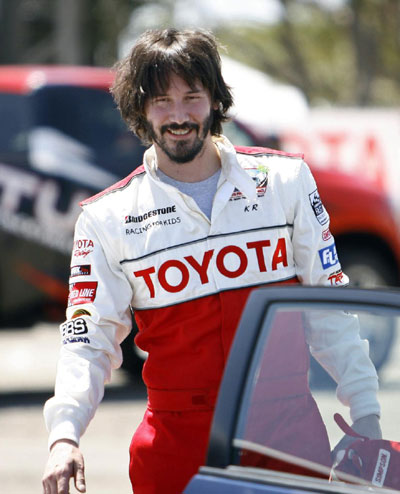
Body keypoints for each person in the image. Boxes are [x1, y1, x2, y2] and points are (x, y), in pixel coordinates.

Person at [42, 28, 381, 494]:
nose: (178, 115)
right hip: (175, 444)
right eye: (161, 100)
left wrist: (366, 414)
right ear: (140, 110)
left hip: (287, 437)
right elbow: (88, 340)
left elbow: (329, 308)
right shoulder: (107, 218)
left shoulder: (285, 181)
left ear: (216, 101)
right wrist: (65, 434)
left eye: (192, 96)